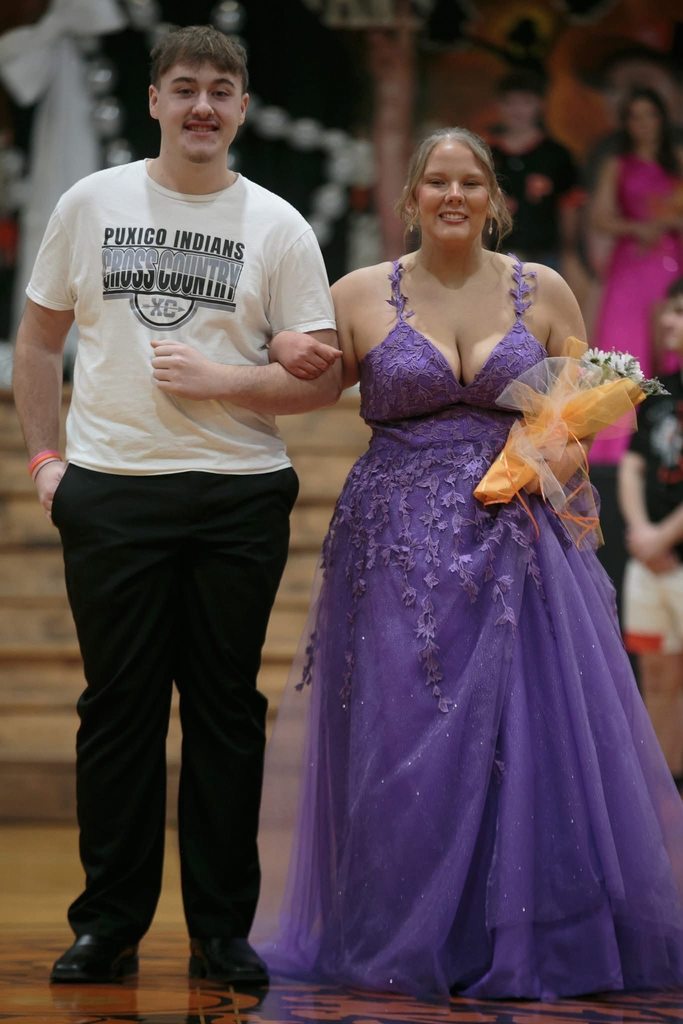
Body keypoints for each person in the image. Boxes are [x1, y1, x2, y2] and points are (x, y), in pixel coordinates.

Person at [252, 127, 683, 1001]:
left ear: (494, 198)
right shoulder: (359, 292)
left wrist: (544, 464)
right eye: (437, 182)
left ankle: (531, 935)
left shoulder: (546, 288)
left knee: (527, 733)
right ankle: (407, 930)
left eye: (471, 182)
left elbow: (579, 410)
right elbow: (304, 384)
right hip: (393, 542)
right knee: (401, 735)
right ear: (410, 196)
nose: (454, 195)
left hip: (518, 538)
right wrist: (233, 372)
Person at [11, 25, 342, 986]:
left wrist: (225, 379)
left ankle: (218, 933)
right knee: (116, 713)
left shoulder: (278, 223)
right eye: (186, 87)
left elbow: (316, 382)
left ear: (242, 106)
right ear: (155, 99)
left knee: (224, 714)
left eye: (222, 89)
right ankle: (107, 926)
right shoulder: (91, 202)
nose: (203, 105)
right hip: (111, 493)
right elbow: (36, 345)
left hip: (237, 499)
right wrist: (45, 461)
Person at [589, 87, 683, 466]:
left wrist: (672, 221)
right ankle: (614, 450)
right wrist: (634, 227)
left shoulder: (677, 162)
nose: (644, 124)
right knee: (624, 351)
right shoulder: (619, 164)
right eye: (636, 117)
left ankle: (668, 443)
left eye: (651, 115)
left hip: (672, 261)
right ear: (627, 124)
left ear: (662, 118)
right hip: (631, 263)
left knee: (672, 347)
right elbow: (600, 217)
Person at [618, 277, 683, 791]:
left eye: (679, 313)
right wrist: (641, 531)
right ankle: (665, 789)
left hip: (675, 556)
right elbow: (633, 467)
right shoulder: (659, 393)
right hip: (648, 561)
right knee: (657, 678)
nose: (666, 321)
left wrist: (665, 536)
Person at [488, 70, 582, 276]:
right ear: (499, 105)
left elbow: (569, 206)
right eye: (510, 102)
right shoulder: (484, 153)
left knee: (539, 308)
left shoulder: (556, 154)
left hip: (544, 256)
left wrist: (569, 251)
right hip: (492, 254)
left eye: (526, 102)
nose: (517, 110)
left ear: (540, 104)